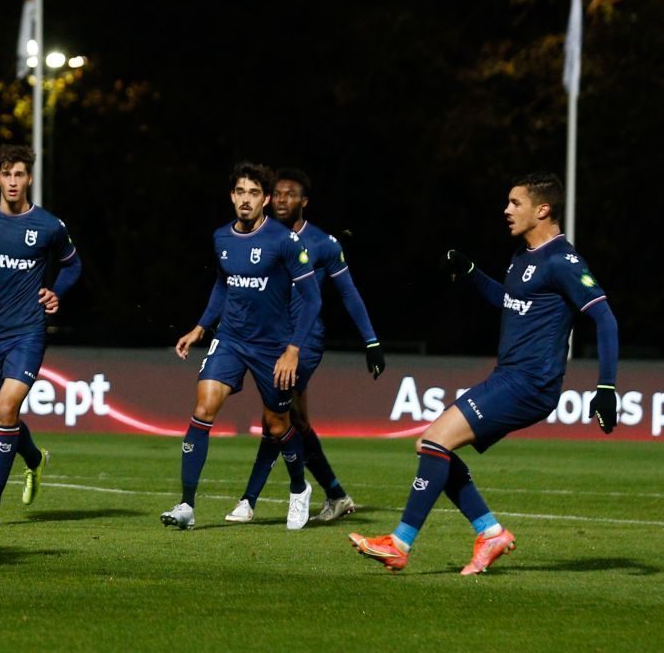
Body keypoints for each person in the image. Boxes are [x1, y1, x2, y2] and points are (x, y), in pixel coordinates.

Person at [350, 172, 619, 574]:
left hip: (530, 383)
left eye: (515, 203)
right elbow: (509, 301)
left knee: (435, 441)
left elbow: (606, 318)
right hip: (508, 376)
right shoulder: (523, 257)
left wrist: (607, 386)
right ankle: (489, 532)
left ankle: (400, 542)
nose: (506, 210)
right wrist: (473, 273)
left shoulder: (563, 261)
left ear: (542, 210)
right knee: (433, 444)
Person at [162, 161, 322, 530]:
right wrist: (201, 327)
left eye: (253, 193)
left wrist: (293, 349)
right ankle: (186, 505)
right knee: (203, 406)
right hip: (230, 339)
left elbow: (312, 300)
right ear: (232, 196)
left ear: (265, 199)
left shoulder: (284, 240)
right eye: (239, 192)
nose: (245, 200)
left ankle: (299, 489)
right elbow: (223, 284)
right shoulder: (221, 238)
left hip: (273, 348)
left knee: (279, 425)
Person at [224, 167, 384, 526]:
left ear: (304, 202)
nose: (282, 200)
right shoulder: (261, 238)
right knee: (294, 421)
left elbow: (349, 293)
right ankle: (336, 493)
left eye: (290, 195)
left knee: (275, 416)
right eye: (277, 194)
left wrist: (371, 340)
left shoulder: (323, 244)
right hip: (269, 342)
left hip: (305, 343)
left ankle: (249, 500)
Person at [0, 144, 81, 526]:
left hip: (28, 331)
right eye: (6, 174)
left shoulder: (49, 227)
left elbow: (73, 266)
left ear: (29, 178)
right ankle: (35, 459)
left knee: (6, 409)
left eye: (19, 174)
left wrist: (57, 291)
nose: (12, 181)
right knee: (2, 412)